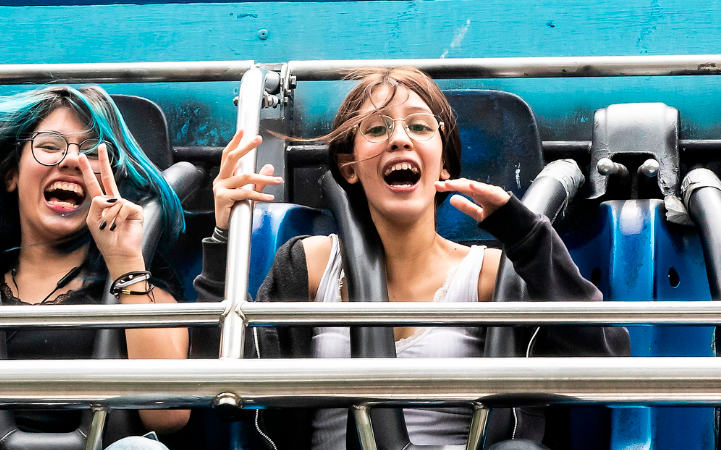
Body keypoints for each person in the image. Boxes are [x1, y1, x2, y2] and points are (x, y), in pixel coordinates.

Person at [197, 67, 629, 449]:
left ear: (443, 165)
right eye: (376, 128)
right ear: (350, 168)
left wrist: (527, 236)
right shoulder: (308, 266)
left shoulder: (492, 277)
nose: (399, 138)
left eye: (420, 126)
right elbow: (222, 375)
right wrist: (223, 236)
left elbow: (607, 362)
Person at [0, 86, 190, 448]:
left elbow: (167, 416)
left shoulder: (150, 300)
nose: (71, 160)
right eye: (49, 146)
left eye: (92, 151)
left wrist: (126, 264)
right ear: (12, 175)